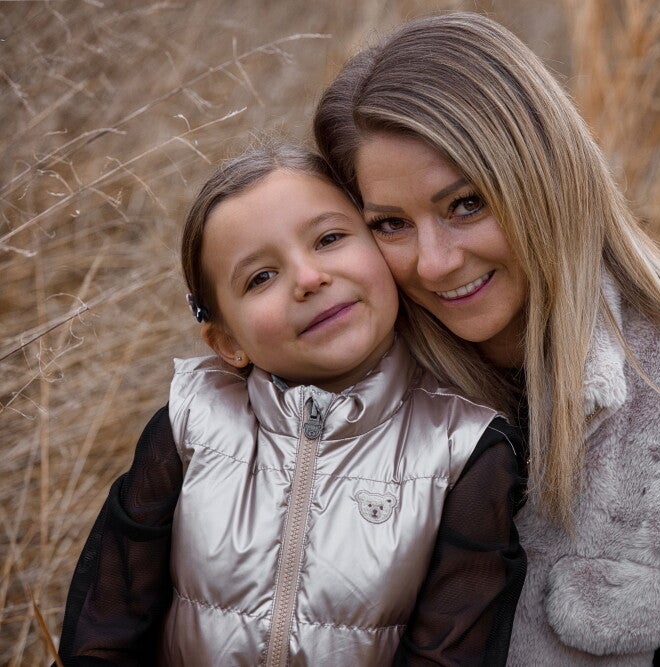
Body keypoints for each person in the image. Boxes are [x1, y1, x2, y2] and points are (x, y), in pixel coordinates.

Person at [313, 11, 660, 666]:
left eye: (466, 204)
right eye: (390, 224)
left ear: (542, 179)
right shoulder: (339, 381)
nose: (434, 262)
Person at [56, 143, 527, 666]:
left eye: (329, 239)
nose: (308, 279)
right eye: (260, 277)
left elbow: (451, 654)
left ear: (382, 252)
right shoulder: (190, 426)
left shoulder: (465, 447)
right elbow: (106, 632)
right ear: (227, 342)